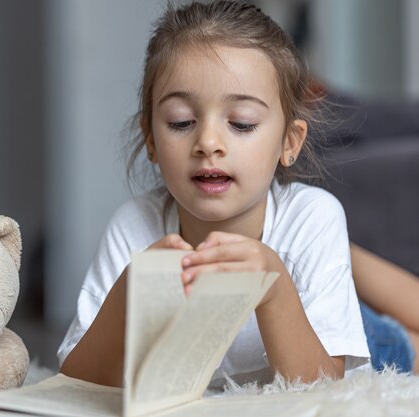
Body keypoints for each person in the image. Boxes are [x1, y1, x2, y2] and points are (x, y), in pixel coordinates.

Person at [56, 1, 414, 388]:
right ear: (151, 139)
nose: (208, 142)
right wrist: (125, 301)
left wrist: (274, 287)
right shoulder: (134, 226)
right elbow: (76, 381)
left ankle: (349, 261)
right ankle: (344, 257)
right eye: (182, 122)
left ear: (289, 142)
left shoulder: (314, 215)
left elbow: (325, 387)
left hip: (341, 331)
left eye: (242, 124)